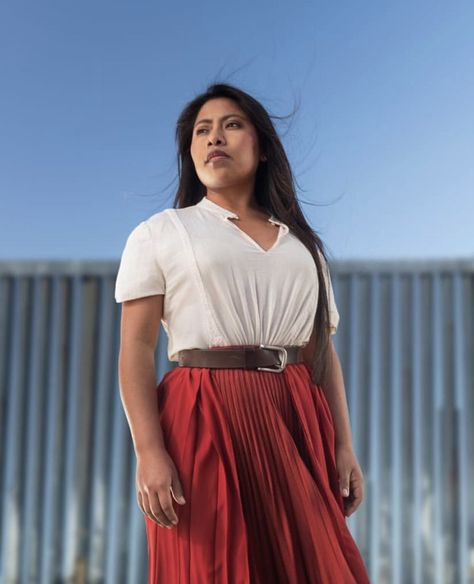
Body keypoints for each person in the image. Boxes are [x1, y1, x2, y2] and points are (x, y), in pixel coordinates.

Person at [114, 82, 371, 584]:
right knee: (215, 567)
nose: (215, 138)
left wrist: (345, 443)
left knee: (319, 568)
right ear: (190, 154)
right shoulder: (162, 231)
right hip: (203, 411)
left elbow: (322, 353)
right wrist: (149, 451)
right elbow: (137, 346)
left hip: (296, 412)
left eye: (232, 125)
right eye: (202, 131)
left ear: (263, 146)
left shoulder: (305, 247)